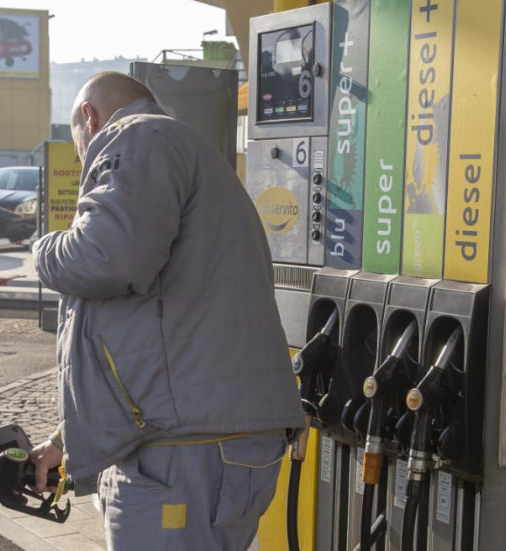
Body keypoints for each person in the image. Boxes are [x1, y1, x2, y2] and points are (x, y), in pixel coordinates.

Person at [29, 72, 305, 549]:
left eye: (79, 148)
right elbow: (158, 329)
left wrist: (42, 251)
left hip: (183, 452)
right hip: (217, 442)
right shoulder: (192, 157)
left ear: (88, 117)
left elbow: (106, 256)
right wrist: (65, 440)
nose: (83, 161)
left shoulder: (137, 136)